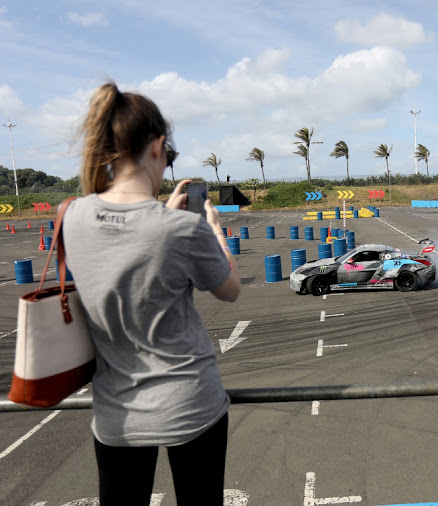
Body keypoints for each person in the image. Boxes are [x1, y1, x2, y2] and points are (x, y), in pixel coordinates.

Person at [63, 82, 241, 505]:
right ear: (158, 146)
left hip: (116, 415)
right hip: (190, 405)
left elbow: (126, 241)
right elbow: (229, 290)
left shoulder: (73, 215)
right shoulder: (182, 229)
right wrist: (213, 230)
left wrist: (162, 212)